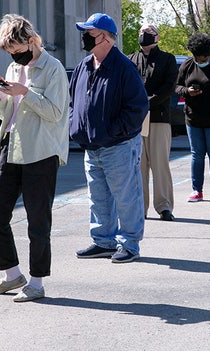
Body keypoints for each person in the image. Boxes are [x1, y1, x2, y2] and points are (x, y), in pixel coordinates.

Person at [0, 14, 70, 302]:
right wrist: (1, 95)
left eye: (18, 51)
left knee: (38, 222)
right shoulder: (11, 67)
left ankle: (36, 283)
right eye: (11, 53)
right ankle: (12, 275)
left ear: (32, 41)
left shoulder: (53, 68)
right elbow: (3, 114)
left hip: (41, 152)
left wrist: (25, 92)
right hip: (11, 146)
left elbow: (56, 113)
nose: (15, 57)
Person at [69, 13, 148, 263]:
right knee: (98, 197)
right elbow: (73, 102)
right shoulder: (84, 65)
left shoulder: (124, 67)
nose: (84, 37)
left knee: (126, 197)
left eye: (88, 33)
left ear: (104, 37)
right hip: (91, 146)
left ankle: (130, 244)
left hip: (119, 146)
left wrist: (113, 131)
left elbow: (137, 108)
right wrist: (75, 126)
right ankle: (103, 241)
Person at [128, 23, 177, 222]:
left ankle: (164, 206)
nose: (143, 35)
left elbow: (169, 86)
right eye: (141, 32)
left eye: (148, 33)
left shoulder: (167, 59)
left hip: (159, 117)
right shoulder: (130, 59)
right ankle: (141, 208)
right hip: (136, 121)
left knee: (160, 164)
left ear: (157, 37)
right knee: (138, 167)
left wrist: (149, 100)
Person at [176, 32, 210, 202]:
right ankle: (196, 190)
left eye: (203, 58)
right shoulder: (187, 65)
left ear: (209, 54)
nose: (200, 61)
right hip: (193, 119)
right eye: (197, 58)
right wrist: (187, 92)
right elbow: (177, 86)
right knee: (196, 154)